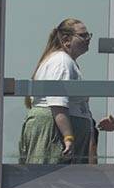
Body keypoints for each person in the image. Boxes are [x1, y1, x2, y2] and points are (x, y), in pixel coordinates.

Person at [18, 19, 95, 164]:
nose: (88, 39)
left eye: (89, 35)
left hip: (56, 130)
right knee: (50, 181)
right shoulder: (62, 62)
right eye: (83, 36)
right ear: (66, 40)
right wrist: (68, 137)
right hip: (54, 133)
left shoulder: (65, 61)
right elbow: (57, 102)